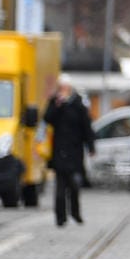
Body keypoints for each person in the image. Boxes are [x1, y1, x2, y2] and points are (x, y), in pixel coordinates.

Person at [42, 75, 96, 227]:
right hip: (59, 150)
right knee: (60, 187)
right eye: (61, 88)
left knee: (74, 185)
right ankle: (60, 217)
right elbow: (47, 119)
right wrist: (57, 106)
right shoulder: (55, 102)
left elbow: (86, 126)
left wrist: (90, 146)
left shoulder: (78, 104)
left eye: (65, 88)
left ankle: (75, 213)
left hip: (74, 150)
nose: (63, 91)